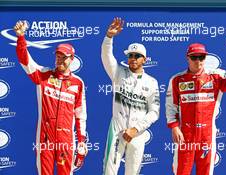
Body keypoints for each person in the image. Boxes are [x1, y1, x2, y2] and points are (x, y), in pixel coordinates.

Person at [165, 35, 226, 175]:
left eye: (201, 57)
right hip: (185, 136)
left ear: (205, 58)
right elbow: (171, 107)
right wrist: (174, 127)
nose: (198, 61)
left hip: (207, 136)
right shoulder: (177, 80)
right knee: (180, 172)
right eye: (194, 57)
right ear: (187, 58)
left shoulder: (216, 77)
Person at [14, 20, 88, 175]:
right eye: (58, 56)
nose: (60, 60)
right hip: (45, 138)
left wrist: (81, 140)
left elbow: (80, 115)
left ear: (72, 59)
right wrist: (21, 38)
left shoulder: (78, 83)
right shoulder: (44, 75)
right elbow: (25, 61)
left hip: (66, 139)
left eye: (64, 57)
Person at [101, 17, 160, 175]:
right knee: (109, 171)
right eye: (130, 55)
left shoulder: (152, 82)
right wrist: (109, 38)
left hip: (137, 134)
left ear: (144, 59)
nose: (133, 58)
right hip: (117, 129)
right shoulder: (119, 73)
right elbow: (107, 58)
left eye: (137, 56)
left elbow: (154, 112)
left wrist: (136, 129)